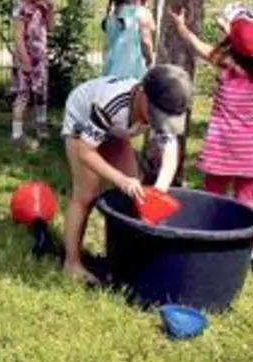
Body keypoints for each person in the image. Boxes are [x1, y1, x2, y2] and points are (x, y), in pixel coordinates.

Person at [57, 65, 193, 285]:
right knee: (86, 193)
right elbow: (86, 152)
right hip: (83, 118)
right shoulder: (112, 103)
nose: (157, 123)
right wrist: (120, 179)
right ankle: (71, 263)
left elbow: (170, 152)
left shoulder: (161, 107)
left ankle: (124, 258)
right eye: (155, 115)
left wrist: (159, 190)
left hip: (116, 128)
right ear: (142, 93)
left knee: (135, 192)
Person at [168, 6, 253, 268]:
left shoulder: (225, 66)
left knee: (213, 194)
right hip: (252, 149)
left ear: (231, 43)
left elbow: (197, 45)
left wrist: (181, 25)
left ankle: (208, 237)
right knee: (247, 199)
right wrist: (235, 33)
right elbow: (250, 48)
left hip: (223, 146)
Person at [9, 0, 57, 152]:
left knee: (41, 92)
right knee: (23, 94)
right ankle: (16, 134)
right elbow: (18, 37)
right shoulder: (21, 10)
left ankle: (41, 124)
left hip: (40, 58)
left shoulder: (42, 8)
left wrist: (51, 11)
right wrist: (25, 61)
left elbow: (51, 28)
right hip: (26, 59)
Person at [101, 0, 156, 82]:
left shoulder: (111, 16)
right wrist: (150, 61)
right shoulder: (140, 13)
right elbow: (146, 41)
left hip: (111, 71)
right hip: (134, 72)